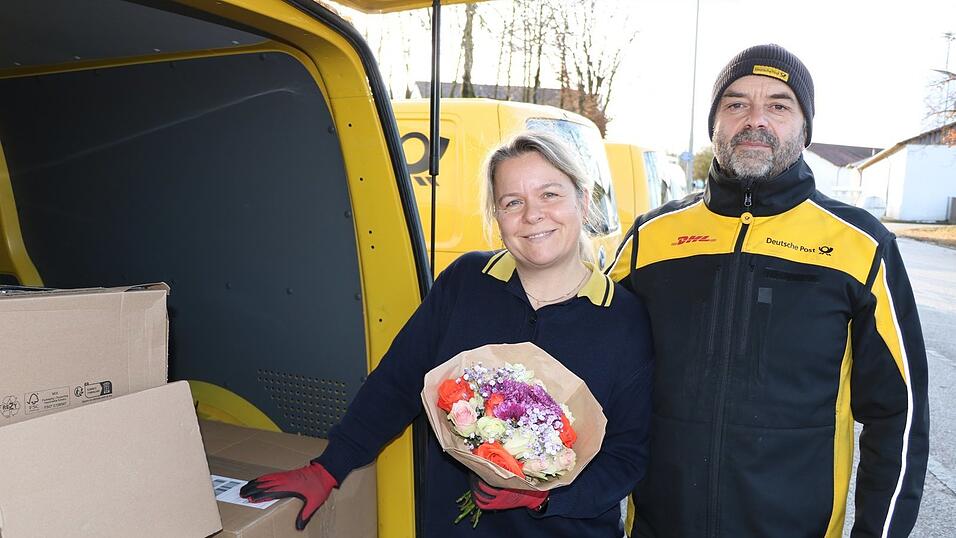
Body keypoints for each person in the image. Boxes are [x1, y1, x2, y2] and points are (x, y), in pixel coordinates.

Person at [241, 131, 654, 537]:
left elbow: (626, 455)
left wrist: (544, 499)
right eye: (513, 202)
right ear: (497, 217)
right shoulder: (466, 282)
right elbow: (398, 381)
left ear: (582, 201)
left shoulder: (624, 318)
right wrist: (329, 467)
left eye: (550, 194)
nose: (532, 215)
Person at [609, 44, 929, 537]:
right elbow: (592, 373)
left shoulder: (859, 244)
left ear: (805, 129)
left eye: (779, 105)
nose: (755, 120)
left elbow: (898, 416)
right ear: (714, 123)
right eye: (736, 104)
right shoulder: (650, 238)